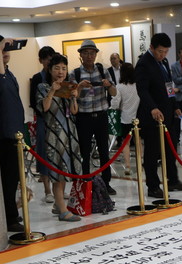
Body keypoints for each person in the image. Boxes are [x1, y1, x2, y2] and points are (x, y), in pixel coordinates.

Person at [135, 32, 182, 199]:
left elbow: (169, 86)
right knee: (152, 153)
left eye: (166, 51)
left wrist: (175, 106)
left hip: (167, 114)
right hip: (152, 116)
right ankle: (153, 186)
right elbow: (142, 90)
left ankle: (173, 180)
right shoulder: (143, 64)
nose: (163, 55)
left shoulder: (164, 62)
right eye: (160, 51)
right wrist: (152, 107)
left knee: (170, 149)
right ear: (151, 47)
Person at [36, 53, 84, 222]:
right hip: (54, 135)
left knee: (65, 171)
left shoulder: (68, 87)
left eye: (64, 68)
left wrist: (74, 97)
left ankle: (58, 205)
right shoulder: (43, 87)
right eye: (57, 68)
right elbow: (44, 107)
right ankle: (63, 211)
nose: (61, 72)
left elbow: (74, 111)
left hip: (69, 134)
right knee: (58, 174)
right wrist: (52, 91)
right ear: (50, 70)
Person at [0, 33, 25, 232]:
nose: (4, 52)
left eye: (6, 49)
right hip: (4, 133)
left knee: (14, 177)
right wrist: (0, 48)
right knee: (8, 179)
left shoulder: (8, 73)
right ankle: (10, 218)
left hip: (15, 132)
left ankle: (12, 213)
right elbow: (0, 85)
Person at [73, 40, 117, 196]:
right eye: (86, 53)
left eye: (92, 53)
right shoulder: (75, 73)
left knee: (104, 151)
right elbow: (72, 96)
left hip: (101, 116)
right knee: (84, 152)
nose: (89, 56)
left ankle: (106, 183)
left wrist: (108, 85)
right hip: (83, 117)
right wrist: (79, 86)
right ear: (80, 55)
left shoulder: (103, 71)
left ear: (96, 54)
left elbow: (114, 93)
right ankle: (86, 183)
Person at [29, 45, 56, 203]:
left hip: (58, 120)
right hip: (43, 120)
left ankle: (59, 188)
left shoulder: (58, 77)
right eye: (45, 59)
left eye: (50, 59)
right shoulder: (37, 78)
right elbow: (33, 102)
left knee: (58, 155)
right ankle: (47, 190)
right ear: (41, 60)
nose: (48, 62)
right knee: (44, 154)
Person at [109, 62, 139, 174]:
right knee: (138, 142)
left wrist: (112, 108)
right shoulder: (137, 85)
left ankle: (127, 166)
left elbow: (116, 103)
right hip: (137, 118)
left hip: (125, 118)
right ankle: (140, 164)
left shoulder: (119, 87)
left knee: (125, 143)